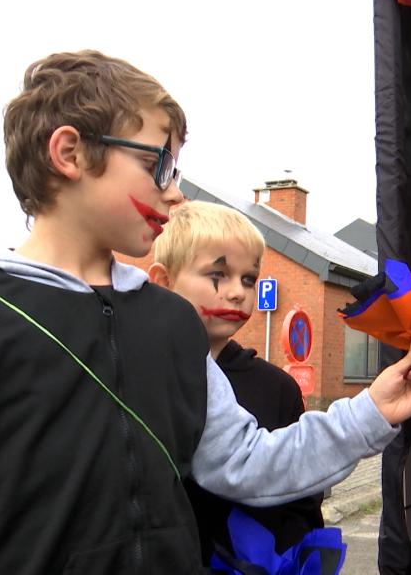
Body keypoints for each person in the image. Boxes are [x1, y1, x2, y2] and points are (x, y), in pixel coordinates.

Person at [0, 50, 411, 575]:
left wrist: (371, 411)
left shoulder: (171, 322)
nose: (176, 193)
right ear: (69, 153)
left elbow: (247, 463)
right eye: (159, 164)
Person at [147, 200, 326, 567]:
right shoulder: (140, 375)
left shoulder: (277, 389)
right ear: (163, 281)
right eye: (218, 275)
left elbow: (303, 505)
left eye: (248, 279)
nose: (237, 293)